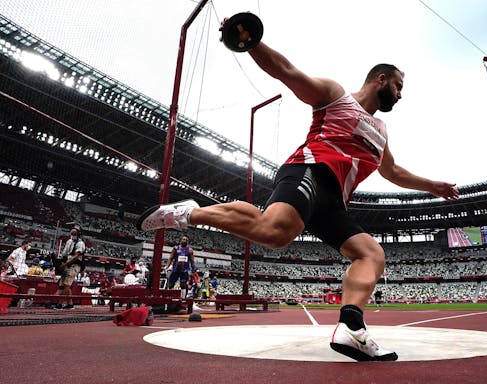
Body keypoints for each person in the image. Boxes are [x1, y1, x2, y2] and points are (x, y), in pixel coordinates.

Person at [137, 23, 459, 362]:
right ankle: (187, 212)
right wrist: (250, 42)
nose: (400, 93)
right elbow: (287, 72)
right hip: (308, 171)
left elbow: (393, 172)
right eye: (398, 85)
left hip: (333, 201)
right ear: (381, 79)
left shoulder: (381, 132)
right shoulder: (336, 97)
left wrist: (431, 186)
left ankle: (352, 328)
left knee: (371, 255)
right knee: (275, 233)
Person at [51, 227, 86, 309]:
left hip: (75, 265)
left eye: (74, 234)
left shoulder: (80, 243)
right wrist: (59, 262)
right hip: (67, 264)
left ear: (78, 234)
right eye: (71, 234)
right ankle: (65, 304)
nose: (72, 235)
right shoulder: (69, 242)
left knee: (66, 284)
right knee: (62, 285)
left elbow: (76, 256)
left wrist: (65, 263)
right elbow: (65, 254)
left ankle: (65, 304)